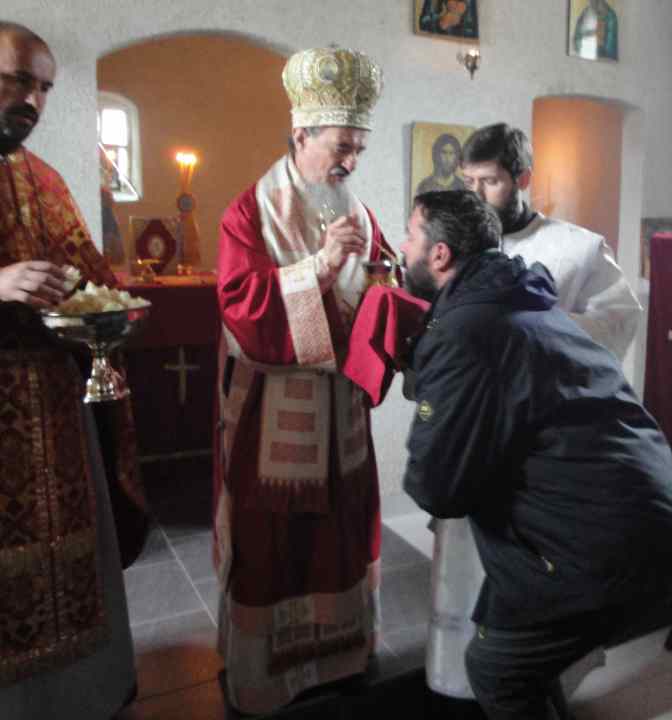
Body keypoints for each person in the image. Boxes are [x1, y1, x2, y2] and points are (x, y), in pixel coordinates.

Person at [401, 190, 672, 720]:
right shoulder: (523, 300)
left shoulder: (469, 330)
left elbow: (438, 487)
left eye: (410, 237)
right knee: (520, 660)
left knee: (497, 669)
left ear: (440, 254)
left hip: (606, 542)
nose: (402, 248)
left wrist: (434, 388)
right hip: (652, 521)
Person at [214, 46, 394, 715]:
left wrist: (389, 285)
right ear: (301, 133)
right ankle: (268, 677)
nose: (351, 162)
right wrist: (318, 267)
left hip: (341, 411)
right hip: (275, 415)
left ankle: (340, 659)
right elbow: (241, 307)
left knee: (341, 534)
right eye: (341, 146)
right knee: (275, 544)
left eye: (359, 149)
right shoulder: (250, 211)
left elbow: (379, 286)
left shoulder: (360, 211)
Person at [0, 21, 140, 719]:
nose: (34, 100)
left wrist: (108, 308)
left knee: (71, 559)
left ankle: (83, 697)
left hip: (54, 411)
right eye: (18, 80)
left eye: (45, 88)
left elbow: (88, 273)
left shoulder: (44, 177)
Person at [461, 122, 639, 361]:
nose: (476, 195)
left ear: (523, 179)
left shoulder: (582, 247)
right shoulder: (457, 243)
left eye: (490, 181)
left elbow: (618, 325)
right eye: (469, 182)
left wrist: (537, 322)